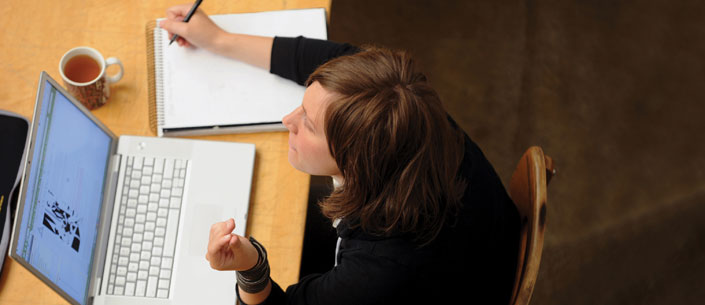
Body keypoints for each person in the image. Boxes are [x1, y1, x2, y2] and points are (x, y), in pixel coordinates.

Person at [160, 3, 521, 304]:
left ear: (357, 163)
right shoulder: (407, 113)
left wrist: (252, 267)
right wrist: (219, 40)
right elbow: (335, 58)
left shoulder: (377, 270)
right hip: (479, 247)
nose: (288, 120)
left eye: (309, 125)